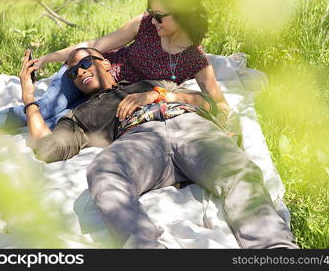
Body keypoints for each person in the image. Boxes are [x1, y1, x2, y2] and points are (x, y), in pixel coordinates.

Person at [22, 47, 297, 249]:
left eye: (84, 62)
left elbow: (207, 103)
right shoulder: (81, 113)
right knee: (103, 171)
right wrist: (28, 98)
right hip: (139, 137)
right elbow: (48, 148)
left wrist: (160, 94)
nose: (79, 72)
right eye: (72, 72)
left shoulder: (148, 83)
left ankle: (273, 248)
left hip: (189, 123)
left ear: (104, 63)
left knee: (238, 170)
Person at [0, 0, 229, 138]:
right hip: (87, 72)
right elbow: (96, 46)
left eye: (160, 16)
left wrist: (223, 123)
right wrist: (48, 58)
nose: (152, 19)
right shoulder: (144, 24)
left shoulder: (194, 59)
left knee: (57, 123)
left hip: (109, 99)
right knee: (45, 109)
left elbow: (219, 103)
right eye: (151, 12)